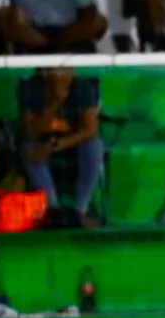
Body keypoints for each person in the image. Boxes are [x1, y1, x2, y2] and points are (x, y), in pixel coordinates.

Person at [18, 68, 103, 228]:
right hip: (40, 140)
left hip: (73, 141)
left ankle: (80, 212)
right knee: (29, 150)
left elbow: (90, 130)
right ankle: (52, 211)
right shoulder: (30, 87)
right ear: (45, 73)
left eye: (68, 69)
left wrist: (55, 146)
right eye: (60, 70)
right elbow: (31, 130)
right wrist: (56, 101)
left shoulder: (82, 86)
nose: (67, 74)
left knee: (94, 147)